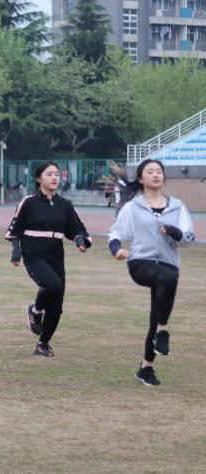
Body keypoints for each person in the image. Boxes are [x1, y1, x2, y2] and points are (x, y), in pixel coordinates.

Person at [107, 159, 195, 386]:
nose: (156, 175)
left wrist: (175, 232)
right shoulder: (132, 207)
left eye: (159, 171)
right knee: (169, 280)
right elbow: (115, 233)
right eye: (150, 171)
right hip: (141, 263)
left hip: (168, 265)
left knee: (156, 316)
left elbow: (189, 238)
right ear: (140, 178)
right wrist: (116, 250)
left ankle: (146, 368)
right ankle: (163, 333)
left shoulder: (177, 206)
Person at [5, 161, 91, 357]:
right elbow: (14, 230)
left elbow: (77, 229)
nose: (54, 177)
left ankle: (42, 344)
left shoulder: (65, 205)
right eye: (49, 174)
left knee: (57, 305)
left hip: (56, 256)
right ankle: (35, 311)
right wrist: (16, 251)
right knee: (53, 285)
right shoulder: (28, 202)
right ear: (38, 178)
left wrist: (80, 240)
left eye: (56, 174)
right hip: (33, 254)